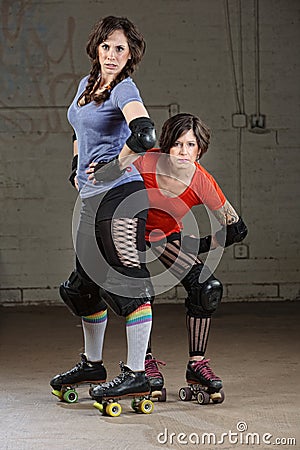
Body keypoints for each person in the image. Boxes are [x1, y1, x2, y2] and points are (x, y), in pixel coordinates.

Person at [50, 16, 157, 403]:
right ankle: (93, 364)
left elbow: (144, 133)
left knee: (128, 281)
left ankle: (137, 373)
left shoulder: (124, 88)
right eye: (107, 47)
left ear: (130, 56)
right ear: (97, 47)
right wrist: (75, 169)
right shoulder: (86, 86)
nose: (112, 55)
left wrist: (114, 166)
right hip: (92, 197)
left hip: (123, 196)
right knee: (84, 285)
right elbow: (79, 130)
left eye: (121, 49)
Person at [130, 113, 248, 401]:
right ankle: (142, 364)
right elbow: (104, 192)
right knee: (140, 291)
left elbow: (236, 229)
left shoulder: (201, 181)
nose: (183, 152)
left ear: (200, 150)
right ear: (167, 145)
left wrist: (198, 245)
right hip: (129, 230)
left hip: (165, 236)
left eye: (191, 145)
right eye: (178, 145)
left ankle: (197, 365)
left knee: (206, 288)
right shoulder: (143, 162)